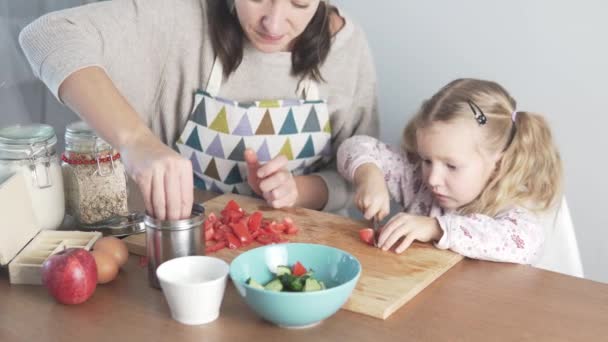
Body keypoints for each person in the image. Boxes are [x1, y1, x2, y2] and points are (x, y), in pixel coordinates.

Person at [19, 0, 378, 220]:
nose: (273, 22)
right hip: (188, 260)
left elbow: (362, 174)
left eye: (300, 3)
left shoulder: (348, 45)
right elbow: (47, 34)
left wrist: (300, 190)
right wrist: (135, 141)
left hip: (313, 256)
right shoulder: (182, 19)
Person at [337, 78, 562, 264]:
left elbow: (524, 242)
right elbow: (353, 146)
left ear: (497, 165)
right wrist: (369, 177)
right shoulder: (415, 179)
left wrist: (436, 228)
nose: (432, 179)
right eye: (427, 160)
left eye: (451, 166)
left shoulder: (512, 206)